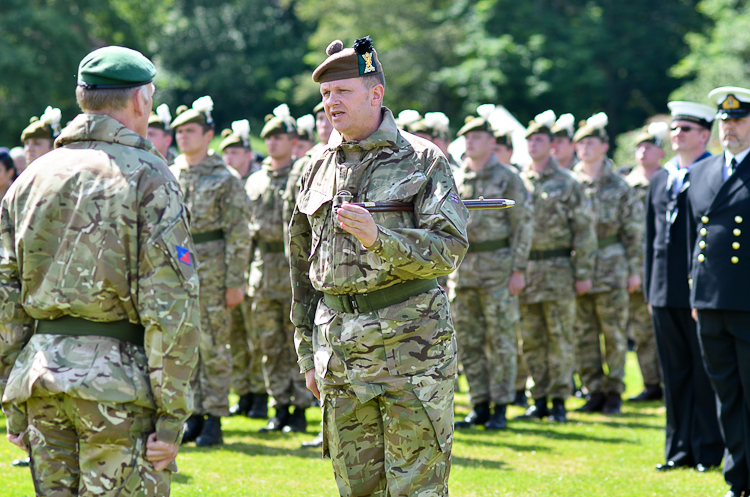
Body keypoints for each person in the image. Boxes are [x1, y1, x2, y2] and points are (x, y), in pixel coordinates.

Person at [0, 45, 200, 495]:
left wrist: (13, 399)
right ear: (140, 101)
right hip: (118, 387)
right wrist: (172, 416)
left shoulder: (31, 179)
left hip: (41, 381)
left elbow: (5, 300)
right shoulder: (150, 176)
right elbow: (171, 304)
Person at [290, 36, 468, 496]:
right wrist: (308, 353)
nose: (331, 103)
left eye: (342, 92)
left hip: (412, 353)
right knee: (357, 490)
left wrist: (379, 237)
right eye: (326, 95)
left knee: (416, 489)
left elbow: (450, 247)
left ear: (375, 94)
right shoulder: (314, 167)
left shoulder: (423, 159)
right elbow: (299, 267)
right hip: (340, 357)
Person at [170, 96, 252, 447]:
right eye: (179, 132)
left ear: (208, 135)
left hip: (215, 269)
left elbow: (238, 234)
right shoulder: (170, 174)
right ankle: (194, 414)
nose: (183, 137)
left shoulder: (225, 178)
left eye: (190, 131)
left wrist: (235, 282)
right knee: (185, 344)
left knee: (215, 344)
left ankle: (215, 417)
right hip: (179, 268)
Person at [645, 101, 723, 474]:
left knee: (705, 372)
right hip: (662, 291)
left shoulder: (713, 173)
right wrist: (649, 291)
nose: (677, 135)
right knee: (673, 374)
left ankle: (708, 449)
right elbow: (650, 238)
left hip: (699, 291)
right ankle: (677, 450)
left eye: (686, 129)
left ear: (705, 135)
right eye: (674, 129)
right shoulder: (661, 178)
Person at [450, 111, 533, 430]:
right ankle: (479, 403)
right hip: (464, 271)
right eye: (467, 137)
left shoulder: (509, 177)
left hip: (499, 269)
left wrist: (518, 269)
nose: (471, 142)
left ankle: (501, 404)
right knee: (469, 340)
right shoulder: (457, 177)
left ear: (490, 141)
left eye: (477, 137)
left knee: (500, 340)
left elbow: (522, 226)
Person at [687, 86, 750, 497]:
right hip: (710, 302)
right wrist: (694, 294)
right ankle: (737, 477)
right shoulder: (703, 171)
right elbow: (698, 238)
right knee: (727, 394)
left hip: (746, 300)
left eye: (738, 119)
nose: (729, 128)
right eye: (724, 121)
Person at [516, 110, 597, 422]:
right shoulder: (518, 180)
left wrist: (584, 272)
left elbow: (584, 231)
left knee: (561, 337)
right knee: (531, 339)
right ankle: (539, 399)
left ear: (551, 145)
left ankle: (560, 399)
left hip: (560, 269)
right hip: (527, 272)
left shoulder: (568, 182)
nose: (533, 145)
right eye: (530, 140)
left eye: (539, 140)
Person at [248, 105, 314, 433]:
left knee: (296, 342)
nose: (272, 144)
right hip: (263, 271)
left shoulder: (301, 174)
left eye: (279, 138)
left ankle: (300, 406)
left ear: (292, 141)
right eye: (268, 139)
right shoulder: (256, 180)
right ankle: (279, 405)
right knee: (268, 344)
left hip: (292, 269)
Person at [571, 113, 643, 415]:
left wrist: (634, 269)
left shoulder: (620, 185)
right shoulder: (570, 183)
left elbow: (634, 231)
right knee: (583, 334)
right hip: (578, 270)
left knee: (614, 334)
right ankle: (593, 391)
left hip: (612, 267)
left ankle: (614, 390)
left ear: (604, 146)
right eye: (580, 142)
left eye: (591, 142)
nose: (585, 148)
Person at [219, 119, 267, 418]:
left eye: (236, 152)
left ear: (248, 154)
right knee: (235, 336)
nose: (230, 159)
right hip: (228, 267)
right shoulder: (226, 182)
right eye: (227, 153)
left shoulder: (256, 181)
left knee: (257, 336)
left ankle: (261, 393)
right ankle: (244, 391)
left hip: (258, 267)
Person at [625, 122, 668, 402]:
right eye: (639, 147)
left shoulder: (669, 180)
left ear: (661, 152)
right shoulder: (627, 185)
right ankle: (651, 383)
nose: (642, 151)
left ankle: (671, 381)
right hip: (635, 269)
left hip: (664, 268)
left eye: (648, 146)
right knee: (642, 331)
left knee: (666, 329)